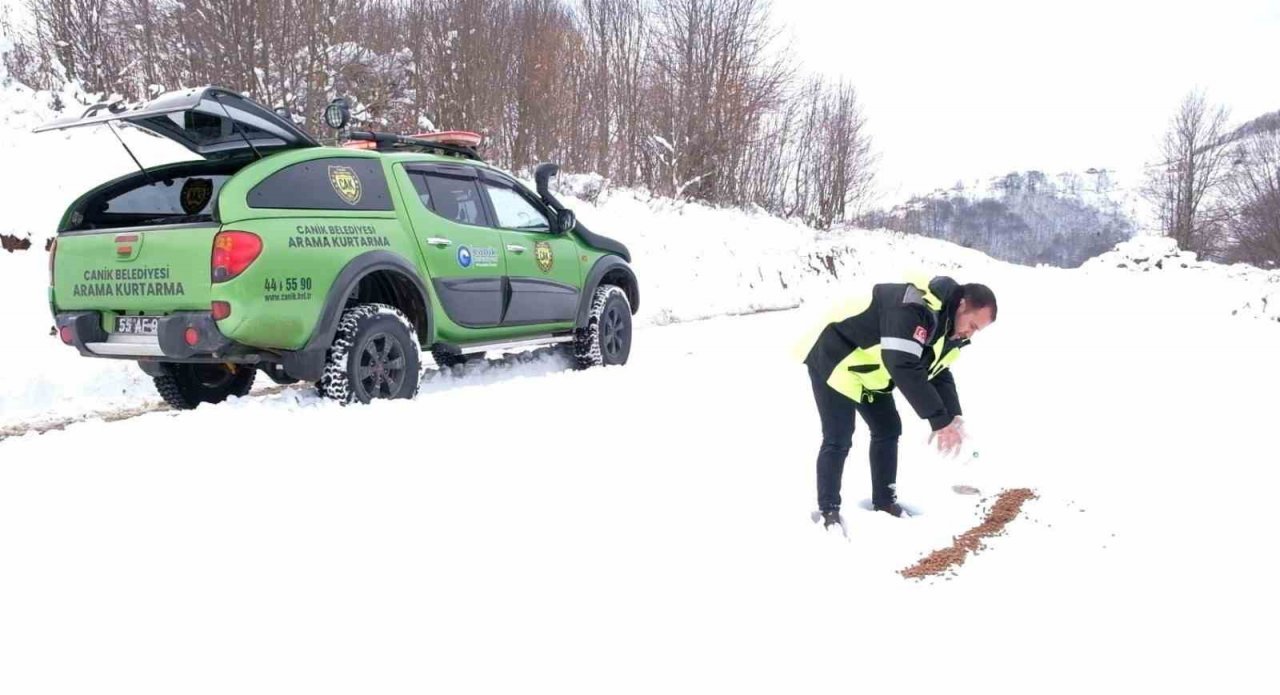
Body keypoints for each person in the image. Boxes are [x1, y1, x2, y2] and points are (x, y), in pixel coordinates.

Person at [798, 275, 997, 527]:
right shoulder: (914, 308)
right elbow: (901, 363)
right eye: (972, 325)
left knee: (888, 428)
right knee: (839, 436)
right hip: (836, 359)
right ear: (962, 305)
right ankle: (829, 511)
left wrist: (953, 415)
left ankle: (884, 502)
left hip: (870, 373)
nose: (971, 333)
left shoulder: (947, 330)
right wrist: (938, 420)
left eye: (977, 330)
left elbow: (938, 372)